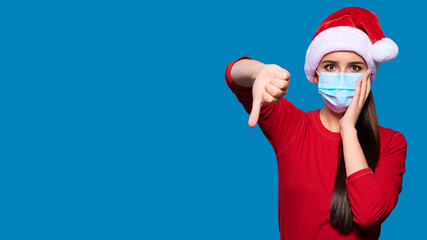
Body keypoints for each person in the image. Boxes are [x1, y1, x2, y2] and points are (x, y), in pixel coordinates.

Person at [224, 7, 407, 240]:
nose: (342, 76)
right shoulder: (292, 126)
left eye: (354, 67)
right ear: (316, 74)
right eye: (331, 66)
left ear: (369, 76)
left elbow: (369, 215)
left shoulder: (392, 142)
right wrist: (259, 71)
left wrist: (348, 129)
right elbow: (233, 75)